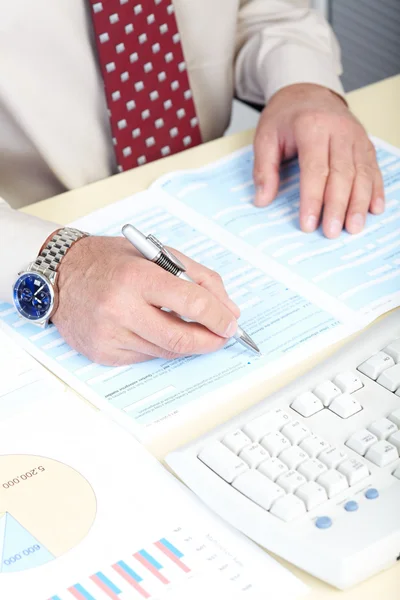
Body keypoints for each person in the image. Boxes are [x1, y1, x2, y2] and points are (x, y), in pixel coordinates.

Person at [0, 0, 384, 366]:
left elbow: (265, 10)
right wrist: (60, 265)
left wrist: (302, 83)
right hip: (32, 215)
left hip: (203, 187)